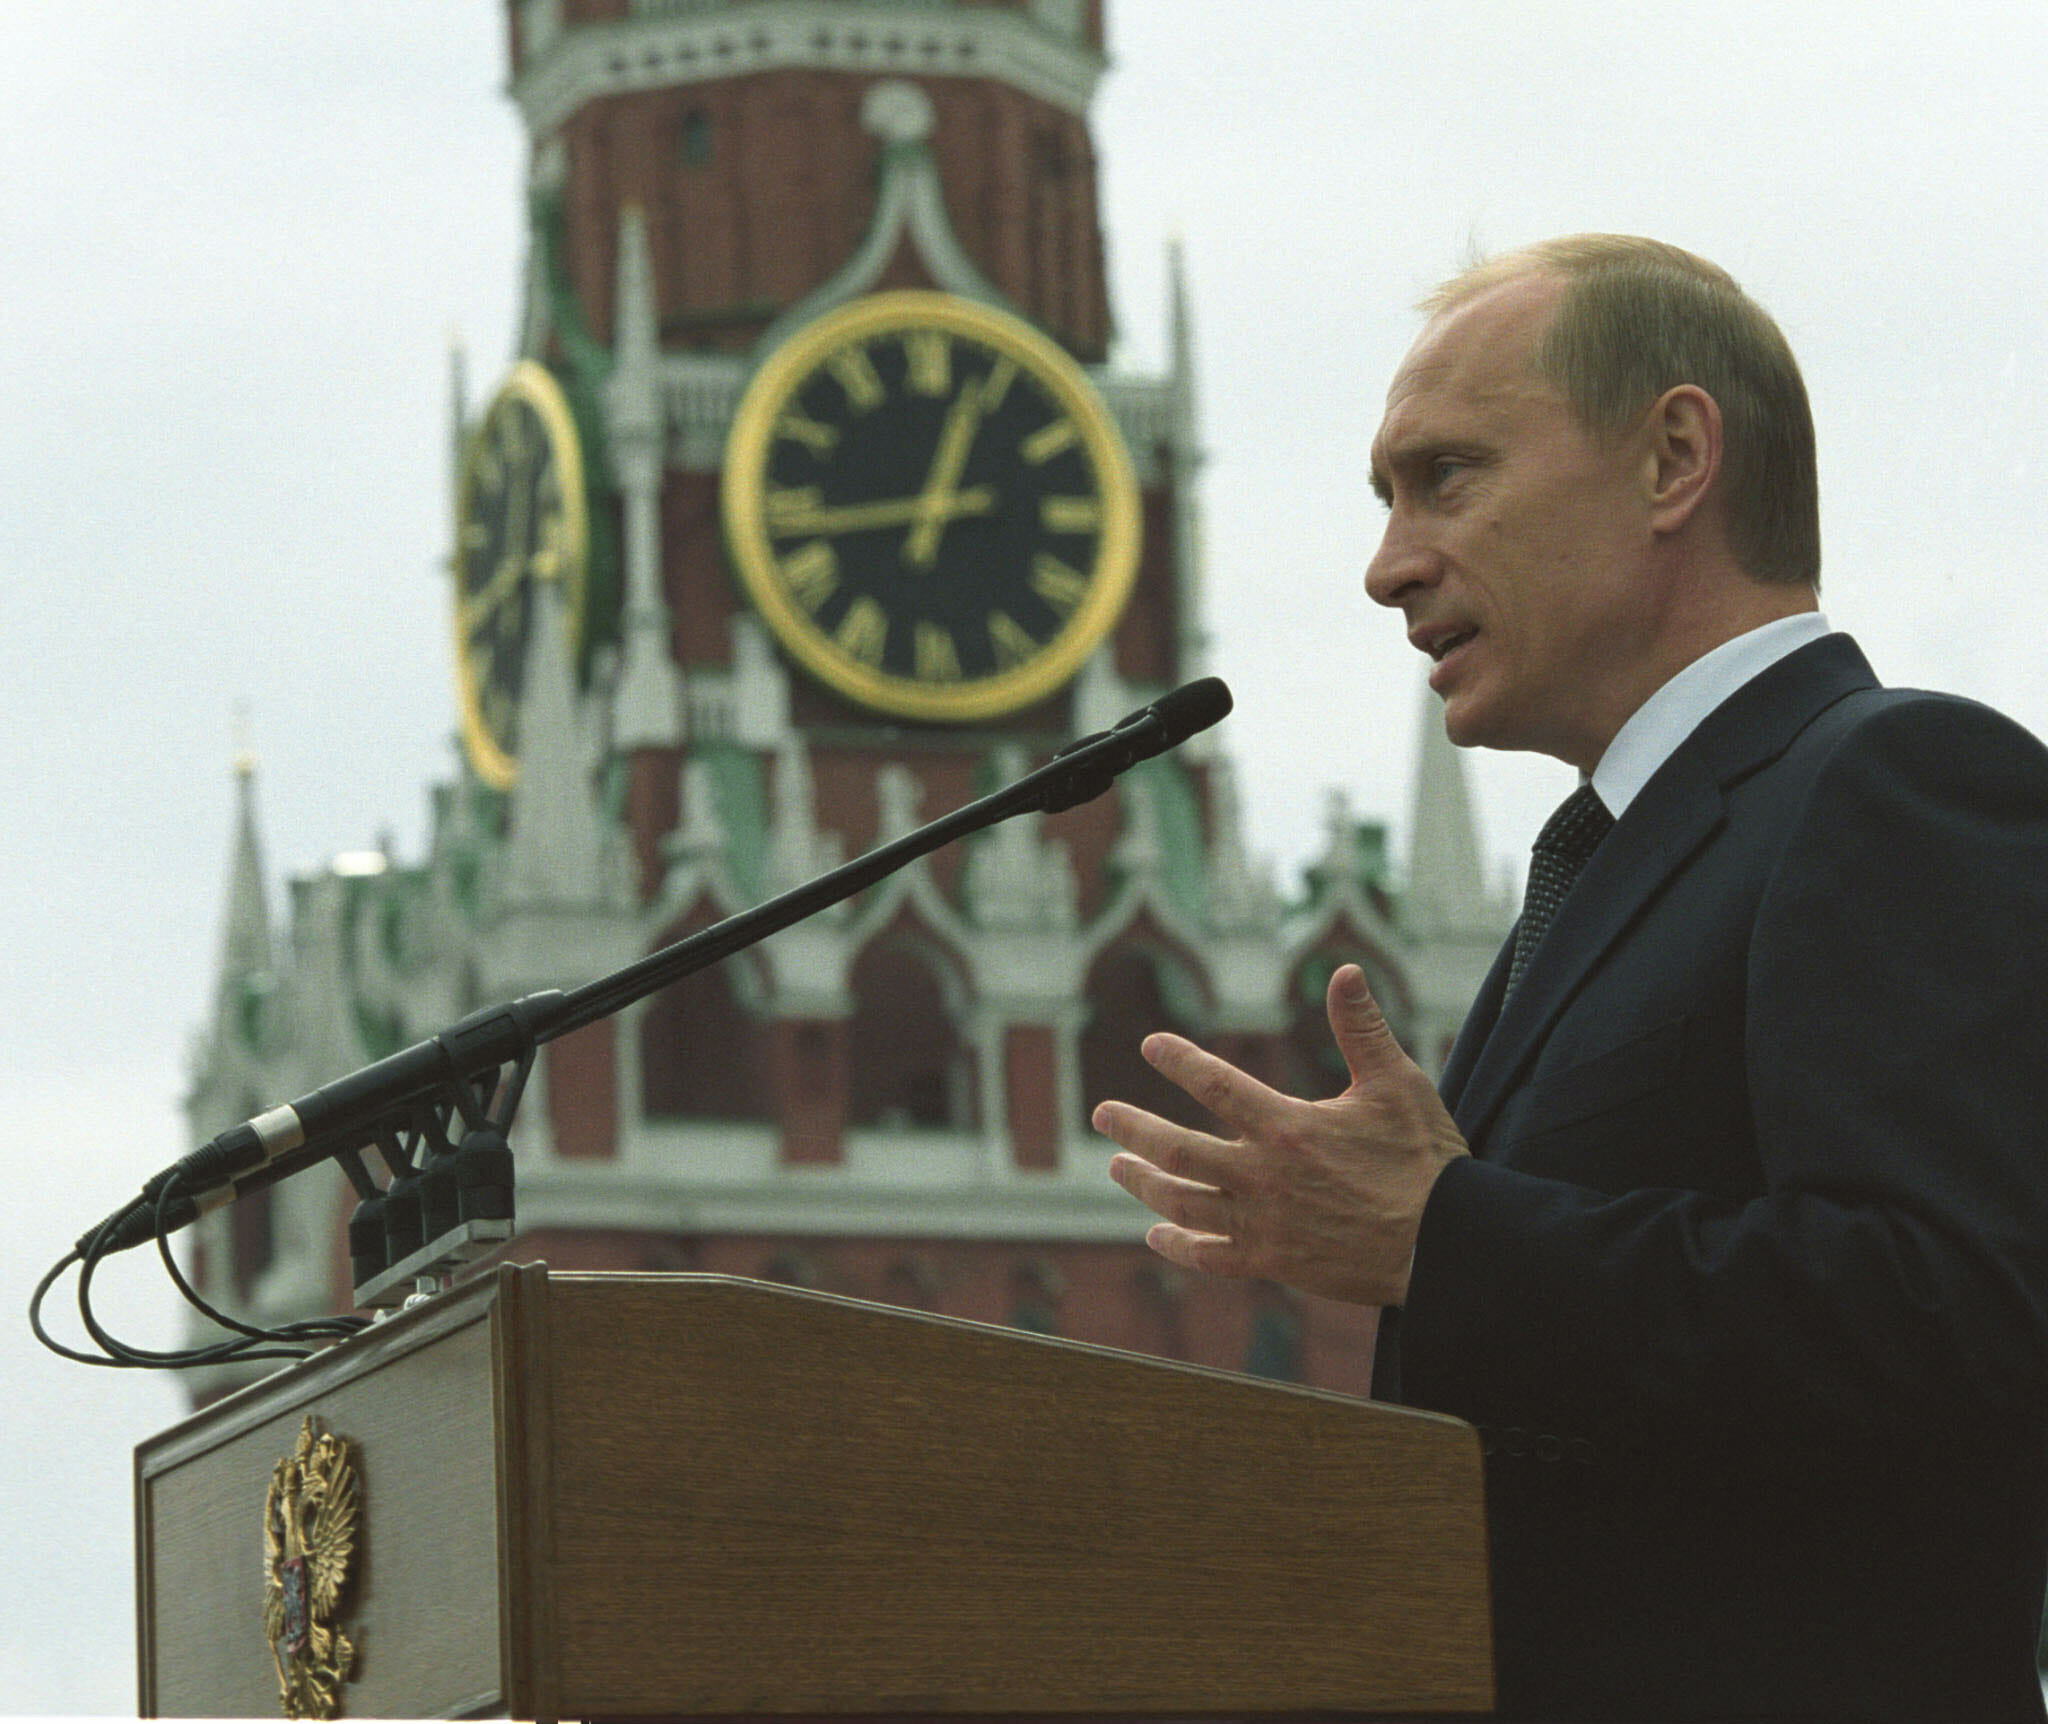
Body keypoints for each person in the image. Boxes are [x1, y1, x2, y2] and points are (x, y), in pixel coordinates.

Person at [1093, 235, 2048, 1721]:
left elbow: (1948, 1313)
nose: (1387, 564)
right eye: (1384, 498)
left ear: (1675, 460)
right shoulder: (1599, 861)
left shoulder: (1892, 782)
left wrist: (1445, 1236)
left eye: (1447, 478)